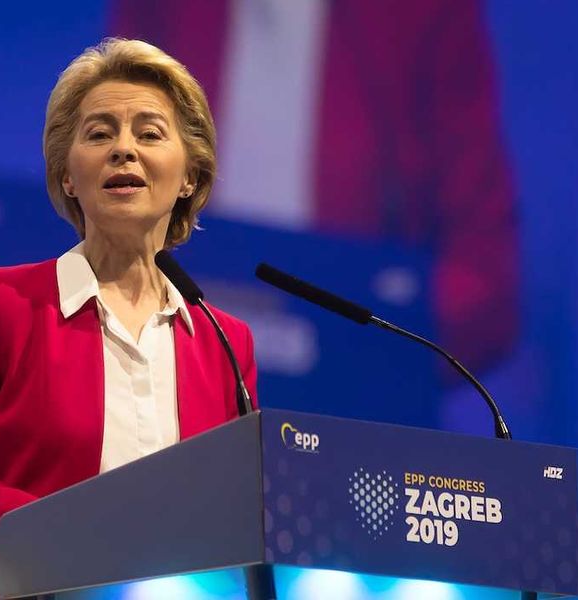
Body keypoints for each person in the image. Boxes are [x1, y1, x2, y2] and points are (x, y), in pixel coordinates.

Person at [0, 39, 258, 599]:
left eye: (149, 133)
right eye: (99, 133)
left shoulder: (226, 341)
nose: (123, 150)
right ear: (67, 176)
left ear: (188, 176)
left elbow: (238, 514)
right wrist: (54, 531)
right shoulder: (1, 303)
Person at [110, 0, 520, 374]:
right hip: (168, 374)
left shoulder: (421, 16)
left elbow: (485, 285)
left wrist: (360, 355)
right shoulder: (162, 12)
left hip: (347, 397)